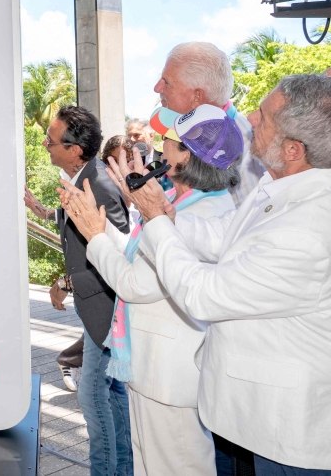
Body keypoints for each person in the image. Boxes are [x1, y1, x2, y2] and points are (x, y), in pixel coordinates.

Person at [110, 75, 331, 476]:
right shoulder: (277, 189)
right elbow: (223, 236)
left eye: (263, 118)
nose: (248, 117)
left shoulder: (309, 226)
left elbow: (203, 295)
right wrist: (169, 214)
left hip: (288, 432)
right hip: (253, 415)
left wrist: (156, 220)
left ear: (293, 150)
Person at [59, 104, 242, 476]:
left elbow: (135, 283)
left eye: (170, 142)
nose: (159, 149)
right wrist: (101, 225)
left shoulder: (202, 214)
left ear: (189, 157)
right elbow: (134, 255)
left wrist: (94, 234)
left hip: (170, 376)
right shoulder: (183, 203)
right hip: (153, 370)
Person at [23, 105, 132, 476]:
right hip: (97, 312)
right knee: (112, 401)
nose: (45, 145)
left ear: (74, 149)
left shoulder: (98, 182)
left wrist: (67, 282)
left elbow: (120, 252)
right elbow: (75, 219)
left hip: (107, 312)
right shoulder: (87, 175)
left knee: (95, 400)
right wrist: (39, 209)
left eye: (51, 141)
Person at [154, 41, 265, 207]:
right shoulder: (189, 133)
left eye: (166, 82)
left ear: (197, 97)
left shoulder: (246, 147)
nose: (157, 88)